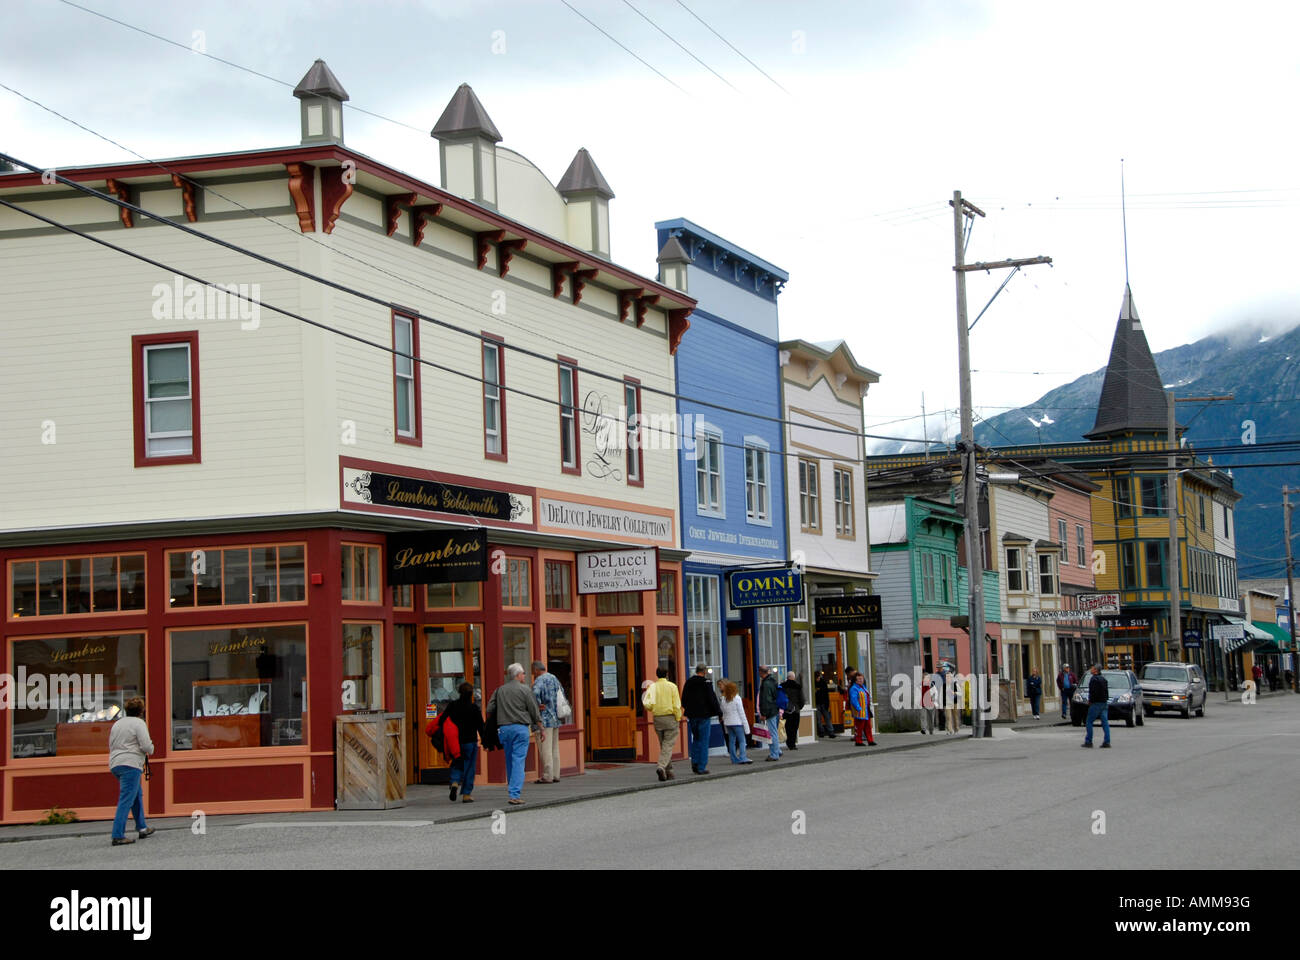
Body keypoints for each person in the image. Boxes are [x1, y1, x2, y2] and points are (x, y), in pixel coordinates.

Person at [486, 663, 544, 804]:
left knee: (509, 759)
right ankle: (514, 794)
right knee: (518, 760)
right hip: (520, 728)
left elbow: (489, 708)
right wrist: (540, 727)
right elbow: (533, 710)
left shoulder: (500, 690)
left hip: (504, 729)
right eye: (523, 673)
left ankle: (512, 789)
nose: (524, 675)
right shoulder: (525, 690)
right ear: (518, 675)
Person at [108, 697, 155, 846]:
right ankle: (117, 835)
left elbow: (111, 743)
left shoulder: (117, 724)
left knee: (136, 795)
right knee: (126, 799)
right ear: (141, 711)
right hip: (131, 764)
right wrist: (152, 749)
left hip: (116, 763)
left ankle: (142, 827)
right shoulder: (139, 723)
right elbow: (146, 745)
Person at [444, 681, 484, 803]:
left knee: (457, 762)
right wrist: (485, 740)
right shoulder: (473, 708)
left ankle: (455, 781)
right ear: (471, 694)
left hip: (455, 741)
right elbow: (480, 726)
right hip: (470, 741)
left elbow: (443, 719)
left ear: (459, 692)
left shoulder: (453, 705)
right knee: (470, 767)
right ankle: (466, 794)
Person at [643, 666, 683, 781]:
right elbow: (676, 705)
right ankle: (661, 766)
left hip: (657, 718)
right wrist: (678, 717)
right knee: (668, 745)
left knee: (664, 745)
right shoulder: (672, 686)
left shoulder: (652, 687)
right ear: (666, 674)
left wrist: (654, 708)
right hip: (670, 717)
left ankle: (668, 771)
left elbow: (646, 703)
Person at [682, 664, 722, 775]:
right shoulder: (706, 683)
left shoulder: (689, 682)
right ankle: (701, 766)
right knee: (704, 741)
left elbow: (684, 699)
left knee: (696, 738)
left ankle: (694, 761)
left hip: (692, 715)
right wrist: (719, 713)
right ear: (704, 671)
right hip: (704, 715)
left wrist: (689, 709)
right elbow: (712, 699)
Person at [531, 660, 562, 784]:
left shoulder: (539, 680)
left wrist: (537, 705)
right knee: (555, 748)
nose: (533, 674)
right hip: (555, 718)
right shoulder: (554, 678)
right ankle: (556, 774)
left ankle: (547, 775)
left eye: (533, 672)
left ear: (536, 670)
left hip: (544, 719)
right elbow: (561, 694)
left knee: (545, 748)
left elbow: (534, 694)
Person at [718, 680, 752, 764]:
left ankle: (733, 758)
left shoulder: (723, 699)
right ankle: (742, 757)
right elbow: (742, 713)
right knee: (742, 740)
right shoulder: (737, 698)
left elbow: (723, 713)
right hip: (737, 722)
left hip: (728, 723)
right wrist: (747, 727)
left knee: (731, 741)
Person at [1082, 664, 1111, 748]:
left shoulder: (1093, 679)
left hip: (1096, 703)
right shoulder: (1104, 679)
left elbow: (1093, 692)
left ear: (1095, 670)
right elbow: (1106, 692)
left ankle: (1089, 741)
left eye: (1092, 668)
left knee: (1089, 721)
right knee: (1105, 722)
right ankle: (1107, 741)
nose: (1091, 669)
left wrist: (1090, 701)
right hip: (1104, 702)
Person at [757, 665, 782, 761]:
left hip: (770, 711)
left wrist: (763, 714)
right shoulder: (773, 681)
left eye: (759, 672)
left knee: (772, 733)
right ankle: (777, 751)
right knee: (774, 732)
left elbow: (766, 700)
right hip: (775, 709)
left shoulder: (766, 684)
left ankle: (774, 754)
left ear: (761, 672)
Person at [848, 671, 876, 746]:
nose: (861, 680)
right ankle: (858, 741)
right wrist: (858, 708)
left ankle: (870, 740)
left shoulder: (863, 687)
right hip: (860, 711)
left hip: (866, 710)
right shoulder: (854, 688)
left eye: (862, 679)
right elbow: (854, 700)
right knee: (859, 727)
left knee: (868, 727)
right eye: (859, 679)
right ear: (855, 680)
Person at [781, 671, 805, 750]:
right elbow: (802, 699)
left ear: (787, 677)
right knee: (794, 727)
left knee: (787, 726)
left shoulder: (782, 686)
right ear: (793, 677)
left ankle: (788, 742)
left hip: (785, 710)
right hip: (795, 710)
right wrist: (799, 707)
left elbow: (779, 698)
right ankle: (792, 743)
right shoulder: (797, 687)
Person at [814, 671, 837, 738]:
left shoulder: (823, 683)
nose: (818, 679)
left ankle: (831, 731)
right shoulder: (814, 683)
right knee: (818, 719)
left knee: (827, 718)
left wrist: (827, 704)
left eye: (818, 677)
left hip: (824, 703)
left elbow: (826, 694)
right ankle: (821, 731)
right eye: (817, 677)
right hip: (817, 703)